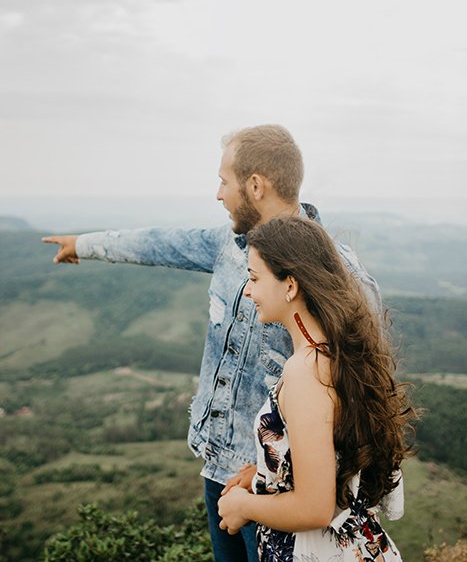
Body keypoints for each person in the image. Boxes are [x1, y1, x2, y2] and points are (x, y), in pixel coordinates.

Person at [42, 124, 382, 562]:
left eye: (224, 181)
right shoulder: (229, 246)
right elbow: (163, 243)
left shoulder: (338, 270)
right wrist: (83, 245)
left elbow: (367, 375)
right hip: (218, 462)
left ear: (255, 185)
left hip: (282, 485)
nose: (218, 194)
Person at [218, 216, 414, 561]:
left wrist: (242, 505)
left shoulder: (306, 372)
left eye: (254, 277)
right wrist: (266, 473)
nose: (248, 290)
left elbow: (315, 508)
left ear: (290, 285)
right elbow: (334, 457)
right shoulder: (335, 353)